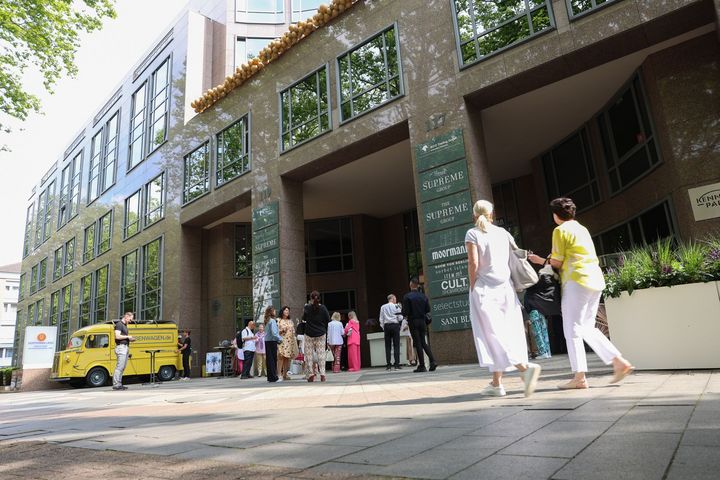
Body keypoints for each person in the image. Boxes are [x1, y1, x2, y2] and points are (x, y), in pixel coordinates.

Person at [528, 197, 634, 389]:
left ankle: (579, 377)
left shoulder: (560, 230)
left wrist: (540, 260)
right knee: (586, 327)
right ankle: (619, 362)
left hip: (576, 281)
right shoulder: (581, 229)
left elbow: (557, 263)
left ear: (556, 215)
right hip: (595, 280)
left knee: (572, 330)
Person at [465, 200, 542, 397]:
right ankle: (496, 383)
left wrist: (473, 285)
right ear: (492, 214)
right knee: (505, 332)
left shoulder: (473, 233)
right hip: (506, 289)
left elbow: (473, 262)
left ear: (475, 215)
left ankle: (525, 369)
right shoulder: (503, 233)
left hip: (484, 290)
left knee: (491, 335)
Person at [402, 277, 437, 373]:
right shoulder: (423, 296)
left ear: (410, 285)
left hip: (413, 322)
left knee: (417, 343)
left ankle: (422, 366)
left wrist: (402, 311)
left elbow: (405, 312)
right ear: (417, 285)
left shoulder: (407, 296)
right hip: (422, 321)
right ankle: (433, 361)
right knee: (423, 342)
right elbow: (428, 310)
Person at [302, 291, 331, 382]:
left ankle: (310, 374)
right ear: (319, 298)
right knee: (321, 354)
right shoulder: (323, 308)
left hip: (309, 333)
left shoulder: (307, 307)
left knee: (309, 355)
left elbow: (303, 319)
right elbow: (328, 320)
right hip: (321, 334)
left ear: (311, 298)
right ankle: (322, 374)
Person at [112, 312, 136, 390]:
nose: (131, 321)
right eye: (130, 319)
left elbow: (123, 337)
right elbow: (117, 336)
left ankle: (119, 384)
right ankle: (116, 384)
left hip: (125, 347)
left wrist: (129, 339)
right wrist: (128, 336)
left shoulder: (125, 325)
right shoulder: (119, 324)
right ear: (126, 316)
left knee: (122, 367)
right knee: (120, 366)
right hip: (121, 347)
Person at [379, 294, 403, 370]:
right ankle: (396, 365)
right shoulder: (397, 306)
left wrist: (384, 327)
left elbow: (381, 319)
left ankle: (388, 365)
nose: (395, 300)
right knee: (396, 345)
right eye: (395, 298)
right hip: (395, 326)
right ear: (392, 299)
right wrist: (401, 308)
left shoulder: (383, 307)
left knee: (387, 346)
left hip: (387, 326)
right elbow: (400, 318)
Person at [277, 306, 299, 380]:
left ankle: (285, 375)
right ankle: (279, 374)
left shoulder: (290, 321)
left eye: (288, 311)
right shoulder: (279, 320)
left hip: (290, 342)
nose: (287, 312)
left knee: (287, 358)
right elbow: (276, 331)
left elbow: (293, 331)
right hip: (282, 341)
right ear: (282, 311)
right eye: (285, 310)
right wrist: (283, 329)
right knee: (281, 357)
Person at [263, 306, 282, 383]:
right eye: (274, 310)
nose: (275, 312)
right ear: (271, 312)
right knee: (273, 360)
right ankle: (274, 377)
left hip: (267, 341)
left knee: (269, 360)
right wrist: (280, 339)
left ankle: (270, 377)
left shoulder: (267, 321)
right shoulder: (272, 321)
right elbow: (274, 333)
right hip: (272, 341)